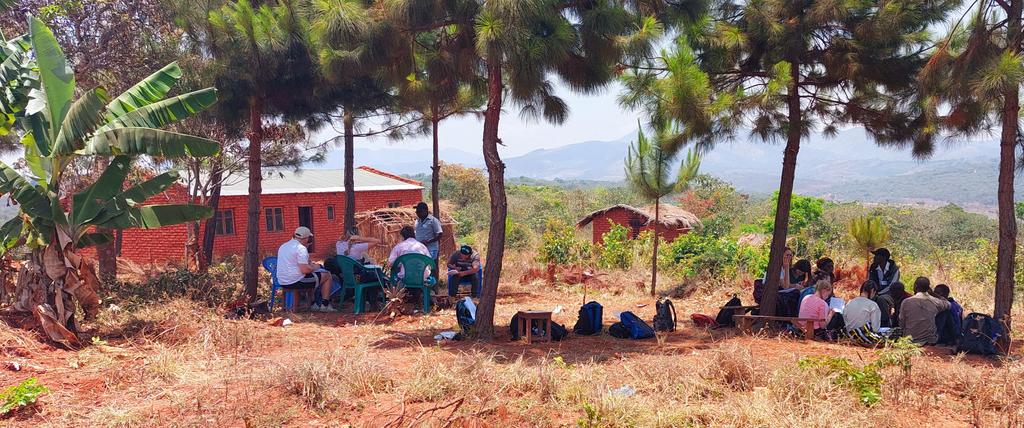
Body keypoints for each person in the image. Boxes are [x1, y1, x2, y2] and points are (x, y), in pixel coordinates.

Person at [276, 227, 336, 312]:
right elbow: (305, 270)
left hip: (282, 281)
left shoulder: (283, 246)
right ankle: (325, 305)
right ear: (306, 238)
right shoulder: (301, 248)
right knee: (326, 275)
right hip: (295, 281)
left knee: (313, 277)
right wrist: (316, 267)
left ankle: (312, 303)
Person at [898, 277, 951, 345]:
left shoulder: (906, 302)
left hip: (910, 339)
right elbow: (948, 304)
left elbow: (901, 322)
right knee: (945, 311)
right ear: (928, 288)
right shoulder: (934, 301)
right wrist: (933, 294)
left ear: (915, 286)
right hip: (930, 339)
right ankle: (953, 338)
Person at [869, 248, 900, 327]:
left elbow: (891, 286)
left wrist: (878, 294)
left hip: (890, 294)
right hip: (876, 293)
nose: (874, 258)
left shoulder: (894, 269)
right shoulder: (873, 268)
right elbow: (871, 282)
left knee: (881, 299)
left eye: (877, 256)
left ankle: (885, 323)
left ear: (884, 258)